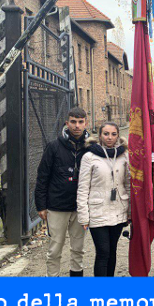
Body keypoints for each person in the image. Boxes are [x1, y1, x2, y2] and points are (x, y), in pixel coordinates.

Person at [35, 107, 89, 277]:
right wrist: (41, 205)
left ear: (86, 124)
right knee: (54, 249)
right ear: (67, 123)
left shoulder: (91, 147)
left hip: (81, 207)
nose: (77, 126)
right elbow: (42, 176)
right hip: (57, 206)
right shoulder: (54, 147)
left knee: (78, 249)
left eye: (80, 122)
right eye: (73, 122)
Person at [77, 122, 130, 277]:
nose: (109, 137)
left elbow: (128, 184)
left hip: (118, 210)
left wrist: (130, 211)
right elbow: (83, 187)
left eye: (113, 134)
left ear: (118, 135)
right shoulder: (89, 157)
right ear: (100, 135)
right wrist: (83, 215)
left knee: (112, 250)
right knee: (103, 251)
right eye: (106, 134)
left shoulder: (124, 155)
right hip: (98, 210)